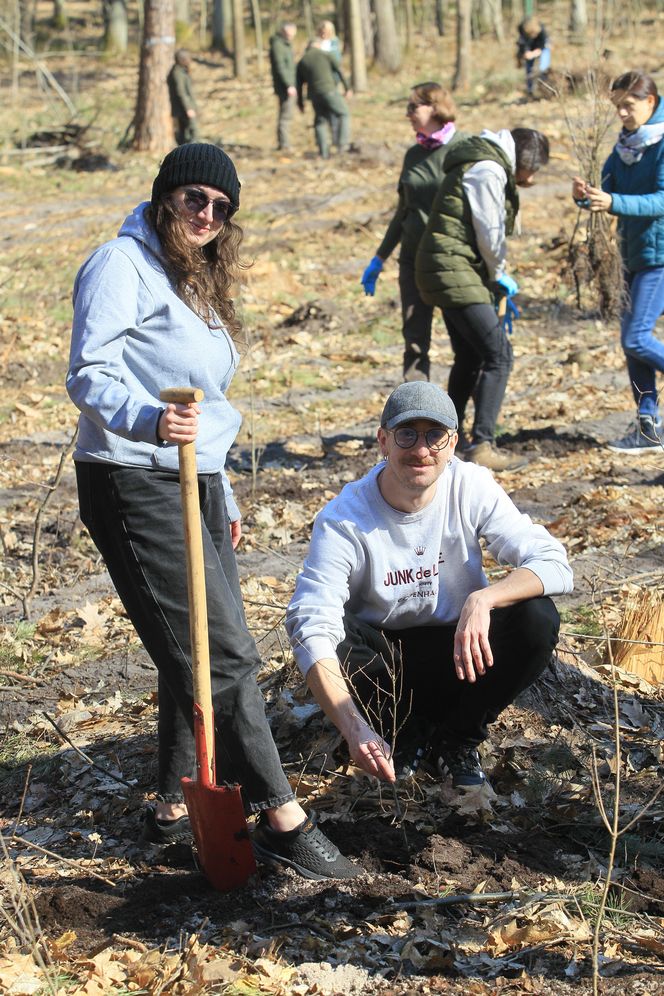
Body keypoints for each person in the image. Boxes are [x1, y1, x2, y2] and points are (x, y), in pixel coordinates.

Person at [66, 143, 359, 881]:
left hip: (193, 478)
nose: (207, 215)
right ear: (166, 194)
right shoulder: (120, 264)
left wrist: (218, 487)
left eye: (221, 208)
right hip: (133, 476)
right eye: (195, 198)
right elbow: (88, 371)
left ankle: (170, 801)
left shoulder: (191, 278)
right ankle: (279, 814)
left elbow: (209, 403)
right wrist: (147, 419)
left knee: (189, 641)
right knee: (221, 651)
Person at [285, 382, 572, 789]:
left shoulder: (471, 486)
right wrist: (352, 728)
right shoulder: (344, 517)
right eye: (407, 434)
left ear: (452, 443)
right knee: (334, 634)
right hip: (386, 669)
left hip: (464, 655)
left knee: (536, 615)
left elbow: (554, 564)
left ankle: (457, 739)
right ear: (383, 440)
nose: (421, 450)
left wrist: (483, 598)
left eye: (435, 436)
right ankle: (404, 735)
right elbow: (309, 620)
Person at [415, 127, 550, 471]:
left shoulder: (479, 160)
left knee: (470, 356)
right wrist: (498, 272)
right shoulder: (488, 169)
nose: (529, 179)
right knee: (499, 355)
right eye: (531, 172)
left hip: (446, 268)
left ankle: (442, 440)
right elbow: (489, 231)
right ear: (525, 160)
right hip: (453, 269)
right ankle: (483, 443)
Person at [572, 70, 664, 453]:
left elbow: (661, 200)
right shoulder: (626, 145)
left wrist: (615, 203)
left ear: (651, 102)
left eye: (629, 105)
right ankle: (648, 429)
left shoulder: (660, 144)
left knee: (636, 337)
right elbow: (606, 190)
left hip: (660, 257)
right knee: (630, 346)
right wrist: (586, 195)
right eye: (618, 106)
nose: (623, 113)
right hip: (631, 255)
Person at [360, 83, 465, 382]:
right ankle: (418, 418)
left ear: (434, 107)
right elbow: (403, 211)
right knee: (415, 341)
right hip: (413, 260)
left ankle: (460, 418)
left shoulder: (462, 149)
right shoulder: (413, 155)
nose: (407, 114)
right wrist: (380, 258)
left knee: (465, 340)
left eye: (412, 107)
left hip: (451, 261)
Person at [296, 37, 352, 159]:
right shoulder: (326, 54)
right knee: (344, 114)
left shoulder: (302, 61)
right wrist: (347, 87)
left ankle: (323, 153)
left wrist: (300, 103)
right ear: (318, 45)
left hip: (314, 95)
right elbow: (339, 70)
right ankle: (343, 145)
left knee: (320, 121)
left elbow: (299, 85)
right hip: (329, 91)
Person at [269, 23, 298, 152]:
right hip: (285, 87)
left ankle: (284, 142)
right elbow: (280, 67)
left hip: (288, 85)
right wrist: (289, 85)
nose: (291, 37)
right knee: (285, 116)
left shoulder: (285, 44)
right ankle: (284, 144)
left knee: (287, 115)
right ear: (283, 32)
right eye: (289, 34)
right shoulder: (278, 45)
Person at [167, 49, 200, 146]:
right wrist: (188, 108)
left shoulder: (180, 71)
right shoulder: (177, 73)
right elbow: (181, 92)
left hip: (184, 108)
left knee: (185, 132)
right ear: (183, 59)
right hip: (183, 109)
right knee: (193, 131)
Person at [516, 17, 551, 98]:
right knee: (529, 69)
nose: (533, 36)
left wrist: (534, 53)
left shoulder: (542, 31)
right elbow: (522, 43)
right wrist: (524, 53)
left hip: (541, 47)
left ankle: (545, 86)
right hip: (529, 48)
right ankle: (530, 90)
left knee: (543, 68)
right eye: (531, 35)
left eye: (534, 35)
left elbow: (543, 45)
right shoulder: (521, 28)